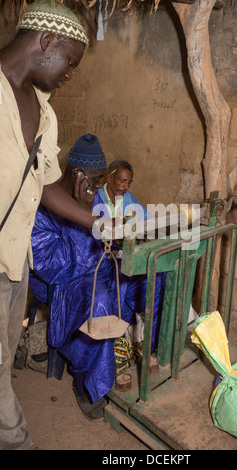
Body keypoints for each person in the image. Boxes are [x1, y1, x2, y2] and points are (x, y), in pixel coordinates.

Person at [0, 0, 101, 450]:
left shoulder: (44, 111)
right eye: (70, 63)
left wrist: (101, 222)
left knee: (1, 363)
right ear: (46, 42)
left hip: (13, 260)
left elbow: (44, 185)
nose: (69, 75)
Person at [29, 134, 166, 420]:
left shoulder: (94, 199)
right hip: (61, 284)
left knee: (153, 272)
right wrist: (88, 225)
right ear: (77, 174)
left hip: (99, 270)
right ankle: (89, 385)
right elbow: (52, 265)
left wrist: (125, 244)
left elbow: (106, 245)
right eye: (95, 179)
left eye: (102, 179)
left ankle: (140, 345)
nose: (99, 186)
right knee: (100, 301)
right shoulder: (42, 207)